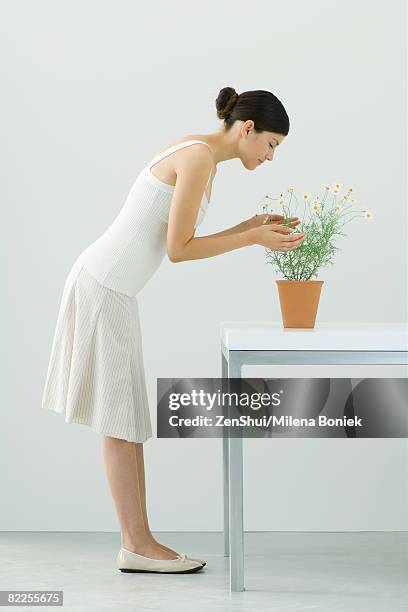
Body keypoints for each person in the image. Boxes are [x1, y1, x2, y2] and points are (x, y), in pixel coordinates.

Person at [40, 86, 305, 575]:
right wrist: (250, 238)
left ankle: (140, 542)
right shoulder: (200, 158)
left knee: (131, 420)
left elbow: (179, 240)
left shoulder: (199, 152)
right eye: (271, 144)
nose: (270, 157)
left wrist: (248, 226)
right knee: (121, 422)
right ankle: (136, 545)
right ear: (247, 129)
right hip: (103, 288)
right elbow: (179, 249)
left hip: (113, 290)